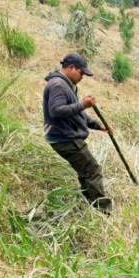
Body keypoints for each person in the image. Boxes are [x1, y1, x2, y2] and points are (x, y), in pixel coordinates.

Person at [43, 53, 112, 214]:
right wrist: (82, 104)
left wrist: (97, 125)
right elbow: (56, 111)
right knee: (93, 170)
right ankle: (103, 210)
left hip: (65, 136)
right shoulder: (58, 85)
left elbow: (74, 113)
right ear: (72, 67)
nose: (82, 77)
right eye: (81, 73)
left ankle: (89, 202)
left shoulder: (66, 84)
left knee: (85, 171)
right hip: (65, 138)